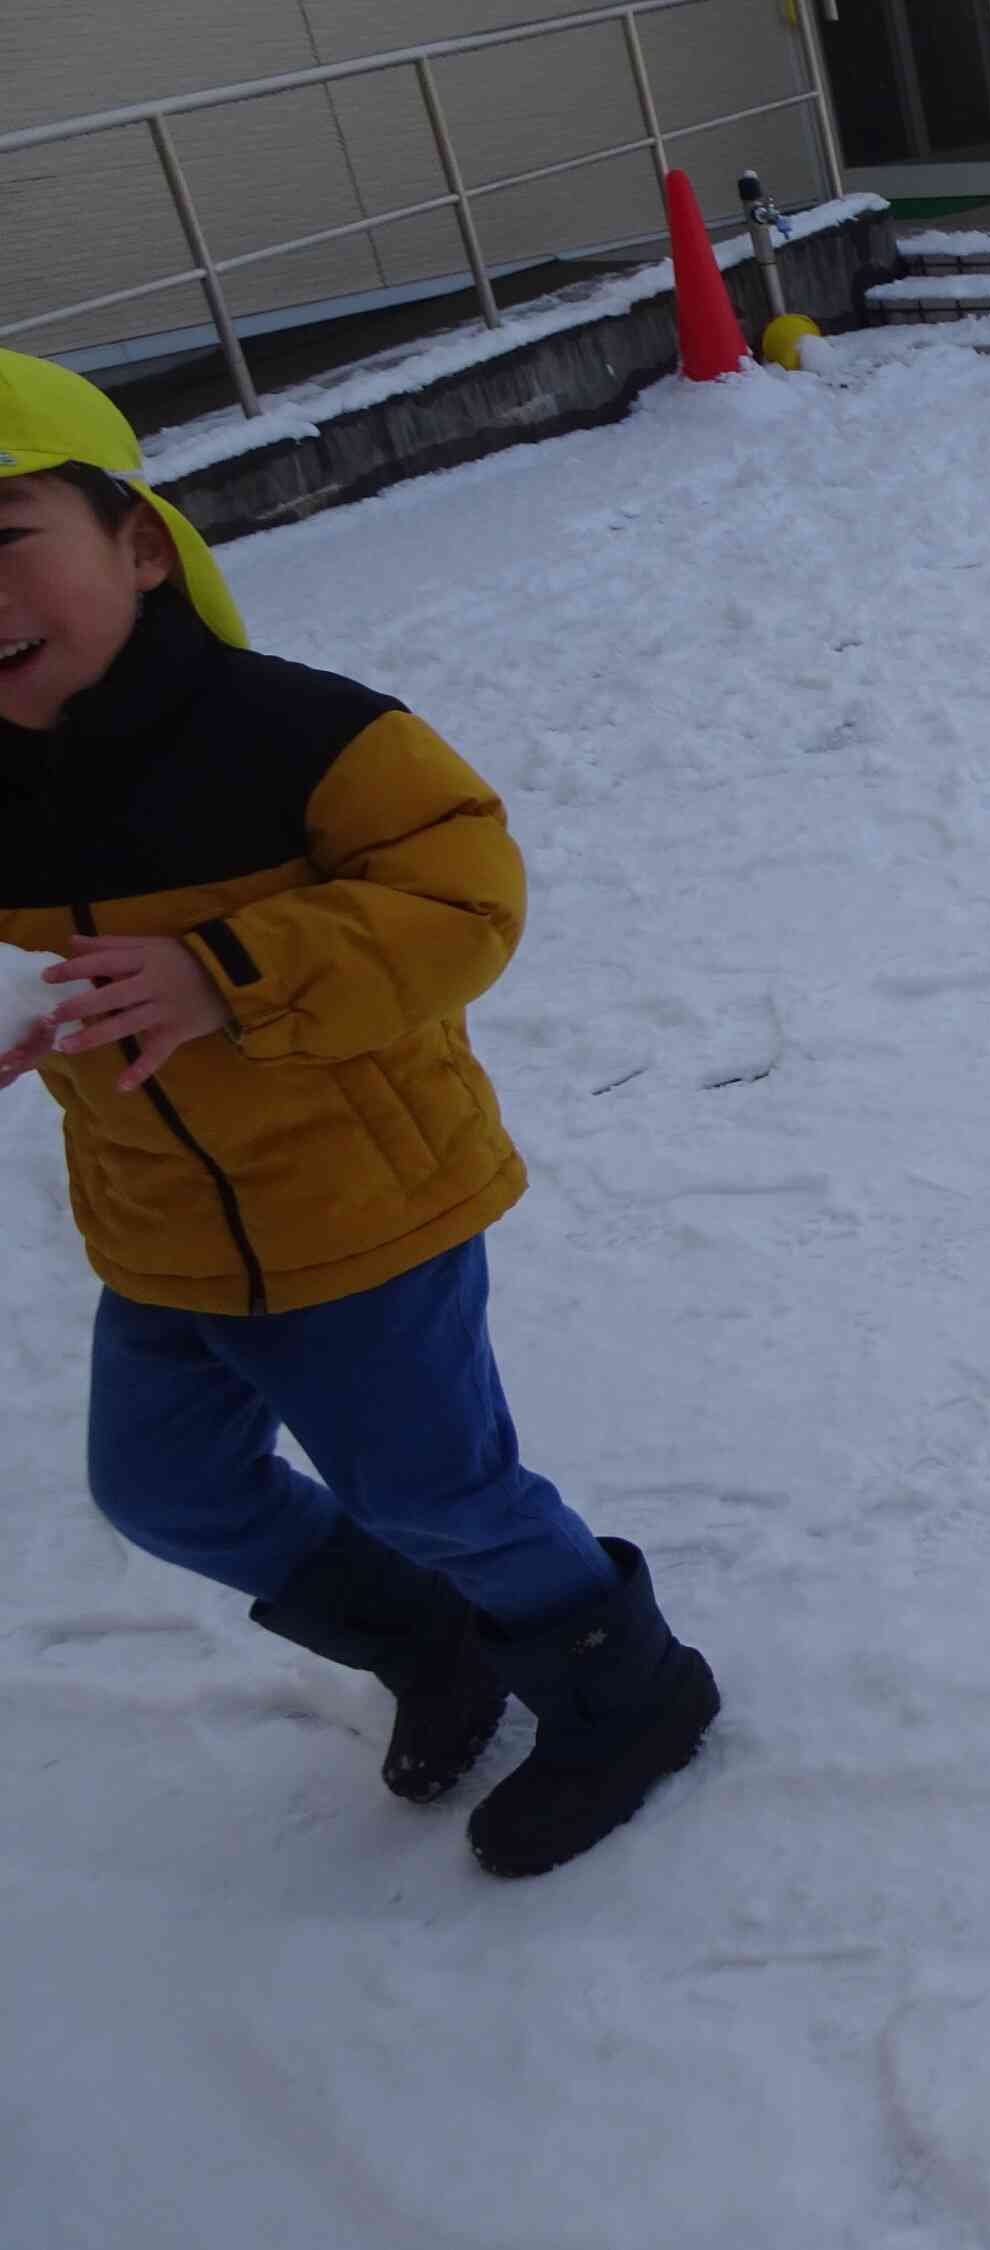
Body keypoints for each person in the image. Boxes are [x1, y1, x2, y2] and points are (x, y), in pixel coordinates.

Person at [0, 349, 718, 1878]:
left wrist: (229, 970)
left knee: (434, 1487)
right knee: (164, 1485)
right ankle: (426, 1636)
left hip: (363, 1207)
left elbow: (466, 893)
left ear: (139, 544)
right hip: (158, 1224)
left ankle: (627, 1684)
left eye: (5, 538)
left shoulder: (297, 733)